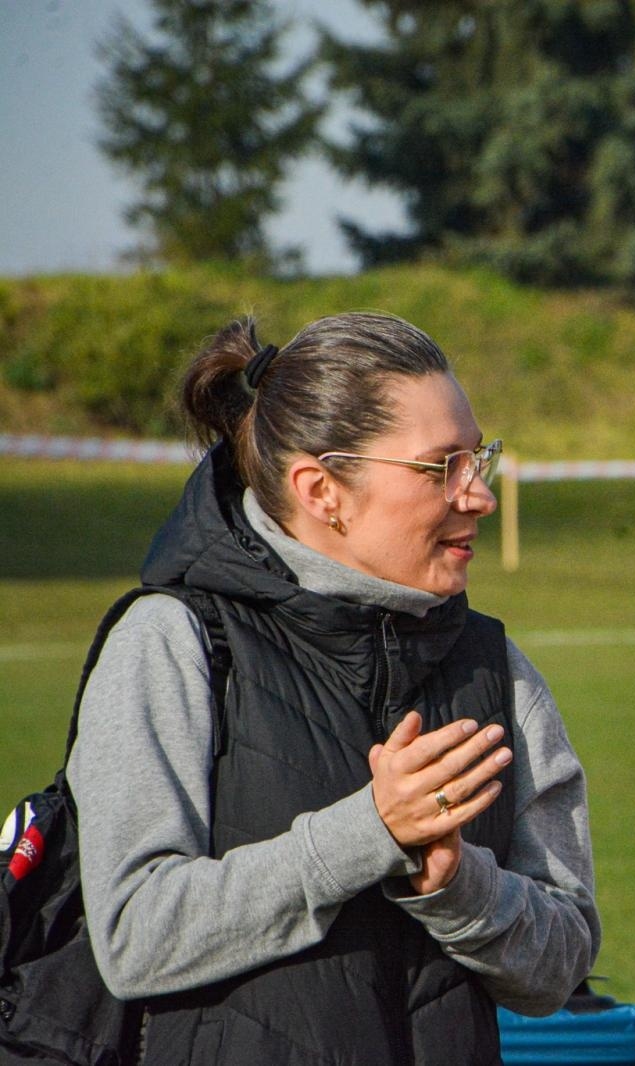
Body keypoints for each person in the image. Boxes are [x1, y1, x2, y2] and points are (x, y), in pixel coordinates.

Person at [67, 313, 600, 1064]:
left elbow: (563, 962)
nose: (479, 495)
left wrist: (460, 888)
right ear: (321, 490)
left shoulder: (495, 664)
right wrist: (370, 834)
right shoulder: (174, 641)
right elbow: (134, 936)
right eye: (441, 466)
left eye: (479, 458)